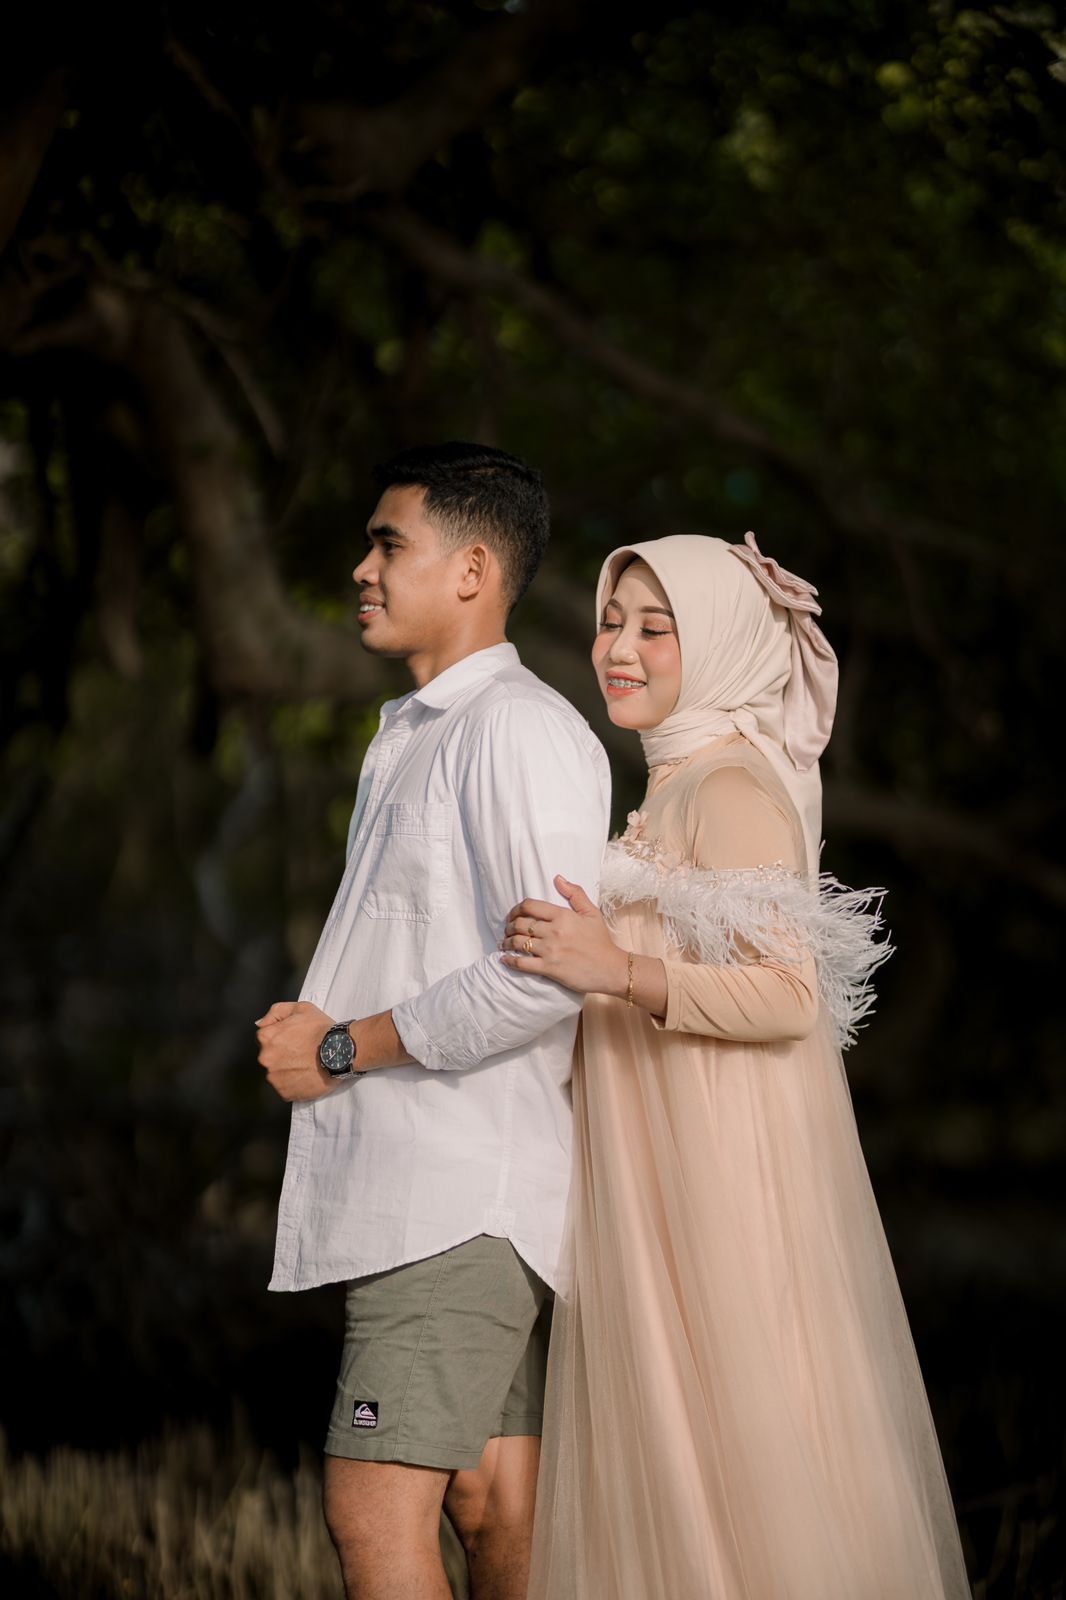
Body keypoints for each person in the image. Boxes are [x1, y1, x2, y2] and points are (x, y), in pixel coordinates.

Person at [498, 533, 972, 1599]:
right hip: (662, 1166)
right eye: (610, 622)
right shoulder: (674, 784)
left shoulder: (726, 785)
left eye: (653, 628)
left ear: (714, 644)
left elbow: (790, 995)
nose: (617, 648)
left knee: (738, 1463)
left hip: (714, 1172)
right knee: (680, 1472)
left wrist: (617, 969)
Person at [255, 442, 611, 1600]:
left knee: (372, 1509)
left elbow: (547, 973)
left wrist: (341, 1044)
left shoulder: (512, 729)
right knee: (492, 1501)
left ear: (470, 571)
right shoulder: (424, 728)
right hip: (444, 1189)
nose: (361, 569)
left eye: (386, 544)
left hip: (456, 1197)